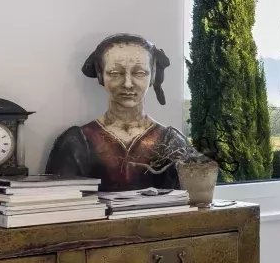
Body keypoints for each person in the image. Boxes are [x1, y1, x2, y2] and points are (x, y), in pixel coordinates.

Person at [45, 33, 194, 190]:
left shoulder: (171, 142)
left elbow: (189, 200)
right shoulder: (75, 143)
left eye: (139, 73)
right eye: (115, 73)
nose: (128, 84)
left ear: (153, 75)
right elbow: (60, 201)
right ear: (100, 75)